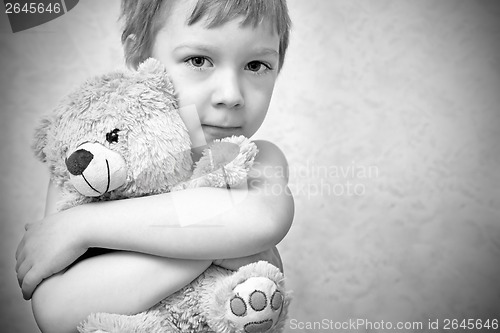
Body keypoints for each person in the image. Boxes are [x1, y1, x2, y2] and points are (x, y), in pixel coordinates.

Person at [15, 0, 294, 332]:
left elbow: (261, 220)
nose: (231, 95)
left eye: (256, 65)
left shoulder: (258, 159)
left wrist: (80, 227)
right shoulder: (94, 166)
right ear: (139, 55)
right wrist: (223, 246)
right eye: (199, 60)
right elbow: (58, 314)